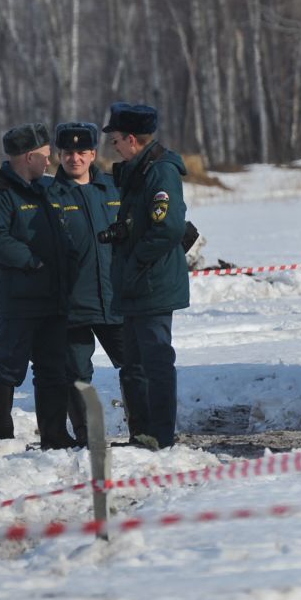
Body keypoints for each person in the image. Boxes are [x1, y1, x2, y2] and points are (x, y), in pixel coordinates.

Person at [0, 123, 73, 448]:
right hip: (20, 298)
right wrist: (31, 260)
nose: (49, 162)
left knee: (53, 369)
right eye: (44, 156)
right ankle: (2, 438)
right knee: (9, 368)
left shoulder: (47, 187)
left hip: (53, 297)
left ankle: (55, 435)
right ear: (28, 157)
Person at [48, 119, 142, 444]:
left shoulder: (114, 188)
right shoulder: (48, 196)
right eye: (67, 152)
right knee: (76, 375)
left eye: (81, 151)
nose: (74, 158)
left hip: (116, 298)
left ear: (92, 154)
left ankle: (143, 431)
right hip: (72, 303)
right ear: (59, 155)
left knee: (134, 364)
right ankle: (88, 435)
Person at [102, 102, 188, 450]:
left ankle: (160, 436)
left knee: (155, 361)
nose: (115, 147)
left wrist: (136, 259)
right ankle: (141, 433)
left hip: (152, 282)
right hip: (136, 283)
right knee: (133, 364)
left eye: (117, 140)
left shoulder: (159, 173)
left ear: (132, 139)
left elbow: (168, 227)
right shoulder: (138, 171)